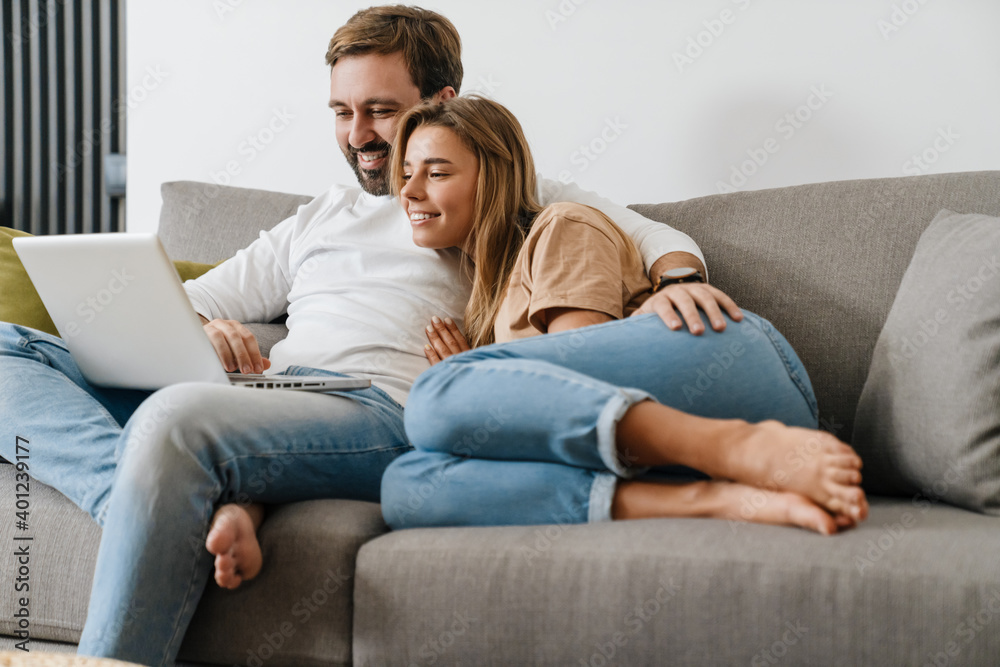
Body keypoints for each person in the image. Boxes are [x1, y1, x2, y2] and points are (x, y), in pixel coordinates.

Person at [0, 6, 738, 666]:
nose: (359, 136)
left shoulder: (494, 186)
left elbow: (652, 236)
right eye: (341, 111)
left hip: (376, 412)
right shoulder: (321, 214)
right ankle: (154, 493)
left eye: (381, 110)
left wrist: (678, 282)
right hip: (261, 400)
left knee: (176, 419)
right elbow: (184, 298)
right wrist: (207, 326)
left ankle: (165, 512)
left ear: (443, 102)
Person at [376, 96, 869, 536]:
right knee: (406, 485)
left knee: (433, 396)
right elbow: (557, 415)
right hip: (661, 449)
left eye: (437, 172)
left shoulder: (560, 225)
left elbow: (570, 371)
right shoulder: (489, 298)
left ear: (496, 176)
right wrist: (483, 378)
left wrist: (474, 379)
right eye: (406, 175)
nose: (411, 191)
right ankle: (710, 499)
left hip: (727, 358)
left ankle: (741, 445)